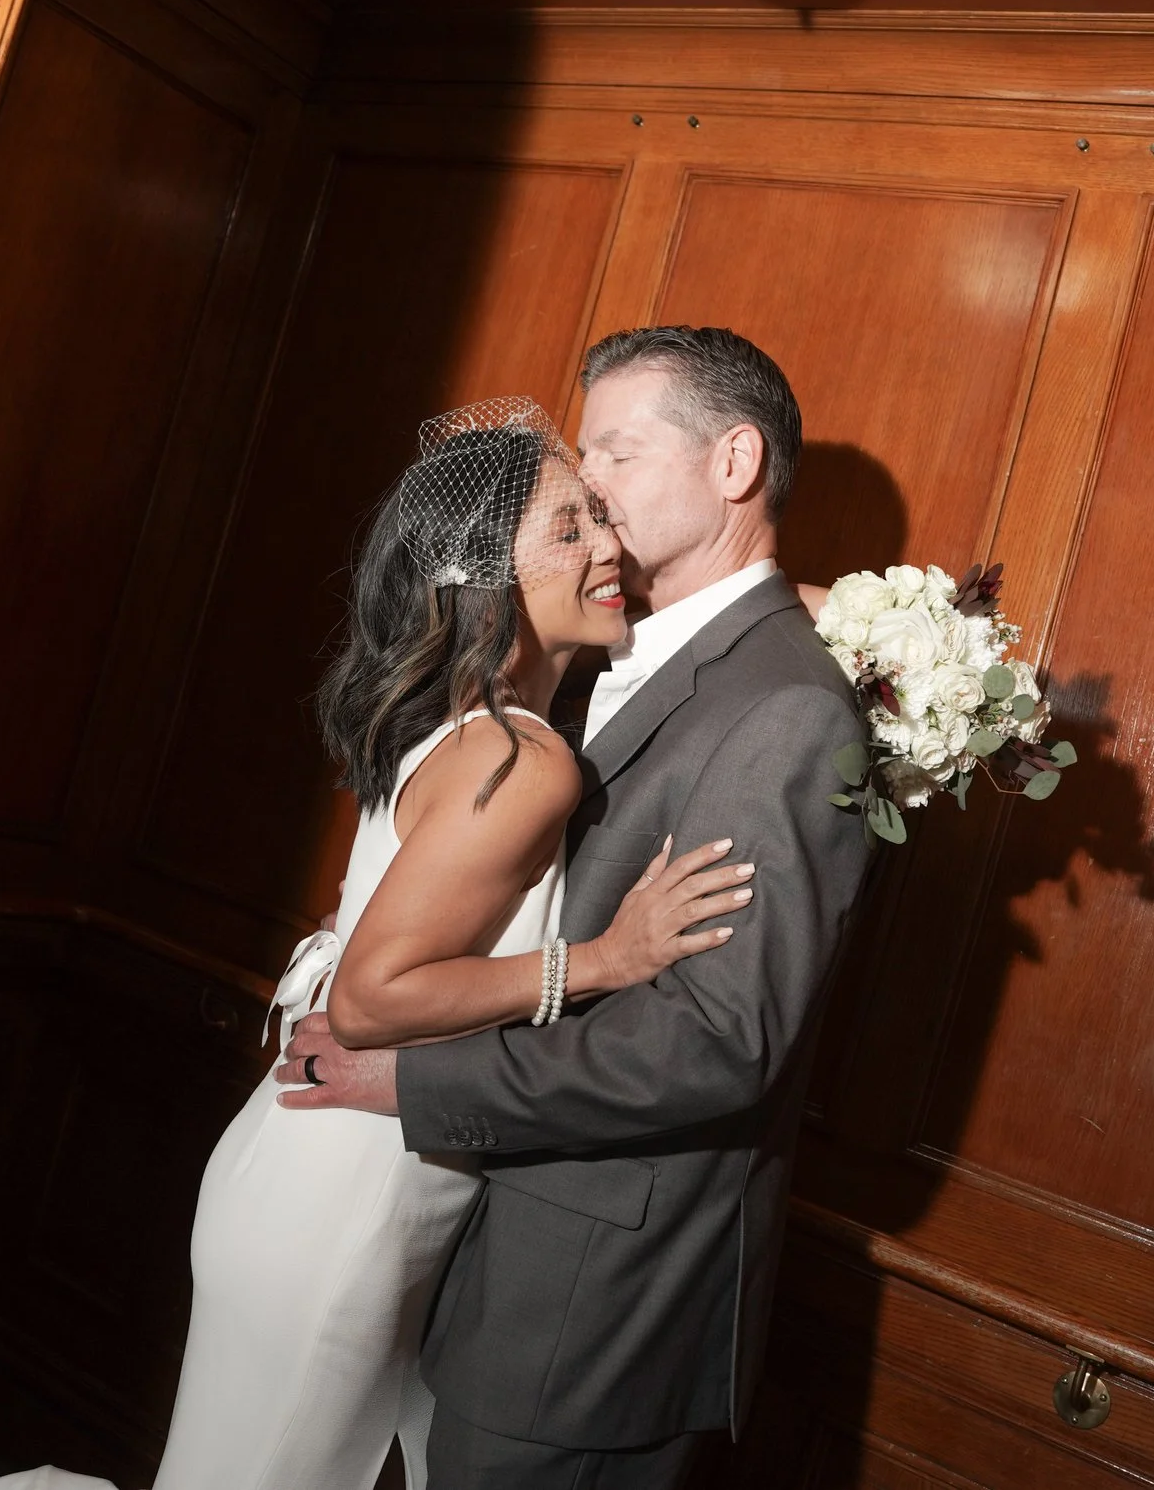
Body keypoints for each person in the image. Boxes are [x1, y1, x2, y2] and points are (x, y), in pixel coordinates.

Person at [0, 397, 757, 1490]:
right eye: (570, 526)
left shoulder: (464, 722)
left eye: (599, 515)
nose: (608, 544)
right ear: (487, 574)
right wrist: (604, 959)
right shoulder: (525, 758)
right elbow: (366, 999)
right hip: (344, 1201)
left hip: (313, 1165)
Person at [279, 327, 873, 1490]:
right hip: (467, 1249)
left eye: (616, 451)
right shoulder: (584, 645)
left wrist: (415, 1081)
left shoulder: (789, 711)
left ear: (734, 462)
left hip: (592, 1307)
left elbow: (713, 1042)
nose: (586, 481)